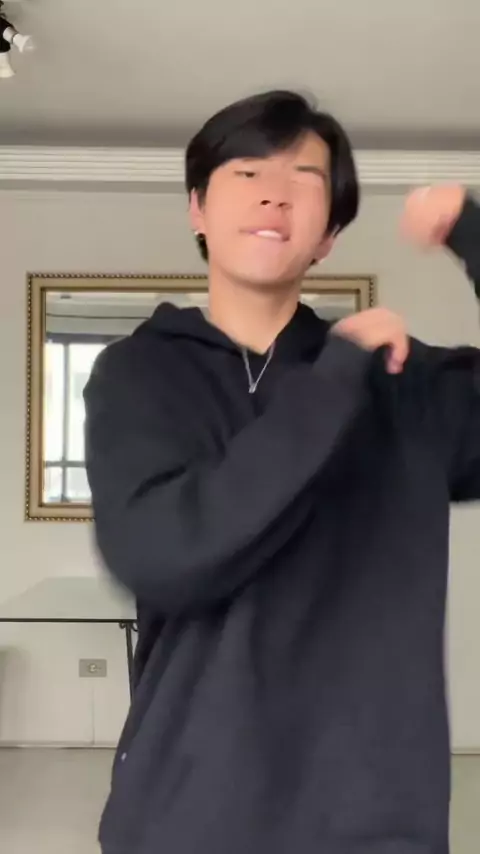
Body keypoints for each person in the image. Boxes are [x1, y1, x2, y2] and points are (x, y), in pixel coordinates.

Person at [84, 89, 480, 854]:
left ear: (328, 235)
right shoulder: (137, 376)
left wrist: (475, 232)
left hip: (372, 823)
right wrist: (331, 384)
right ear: (197, 209)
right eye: (245, 171)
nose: (274, 191)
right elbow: (162, 557)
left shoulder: (405, 385)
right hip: (185, 819)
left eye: (304, 176)